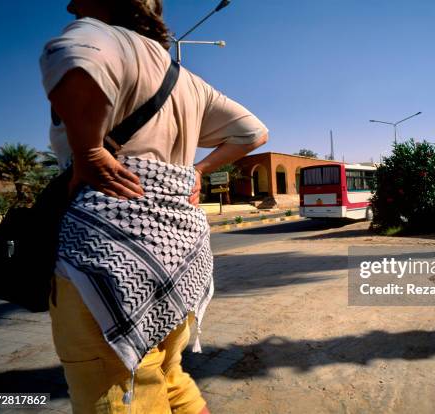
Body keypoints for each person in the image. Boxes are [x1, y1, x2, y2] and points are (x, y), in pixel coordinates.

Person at [41, 1, 268, 413]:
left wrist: (90, 150)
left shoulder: (97, 34)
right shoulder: (188, 81)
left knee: (117, 394)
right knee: (170, 378)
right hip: (183, 260)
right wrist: (198, 170)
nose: (70, 3)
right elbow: (253, 132)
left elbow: (74, 61)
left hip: (109, 260)